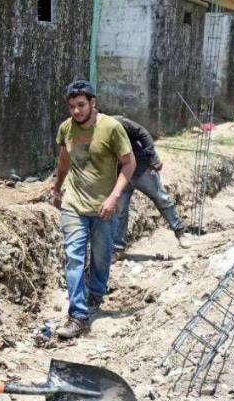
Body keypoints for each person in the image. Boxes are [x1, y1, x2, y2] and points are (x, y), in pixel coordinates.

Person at [49, 79, 135, 339]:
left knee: (101, 255)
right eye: (72, 106)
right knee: (74, 257)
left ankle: (96, 292)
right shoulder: (66, 129)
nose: (76, 111)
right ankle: (77, 316)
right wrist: (56, 187)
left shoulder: (111, 128)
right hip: (73, 204)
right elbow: (63, 161)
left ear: (93, 103)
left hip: (103, 208)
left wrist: (114, 197)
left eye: (81, 105)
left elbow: (129, 165)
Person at [111, 115, 185, 254]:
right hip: (121, 176)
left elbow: (142, 133)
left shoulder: (118, 122)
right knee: (120, 211)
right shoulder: (90, 134)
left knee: (161, 198)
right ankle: (119, 249)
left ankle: (180, 232)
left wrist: (153, 157)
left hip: (141, 169)